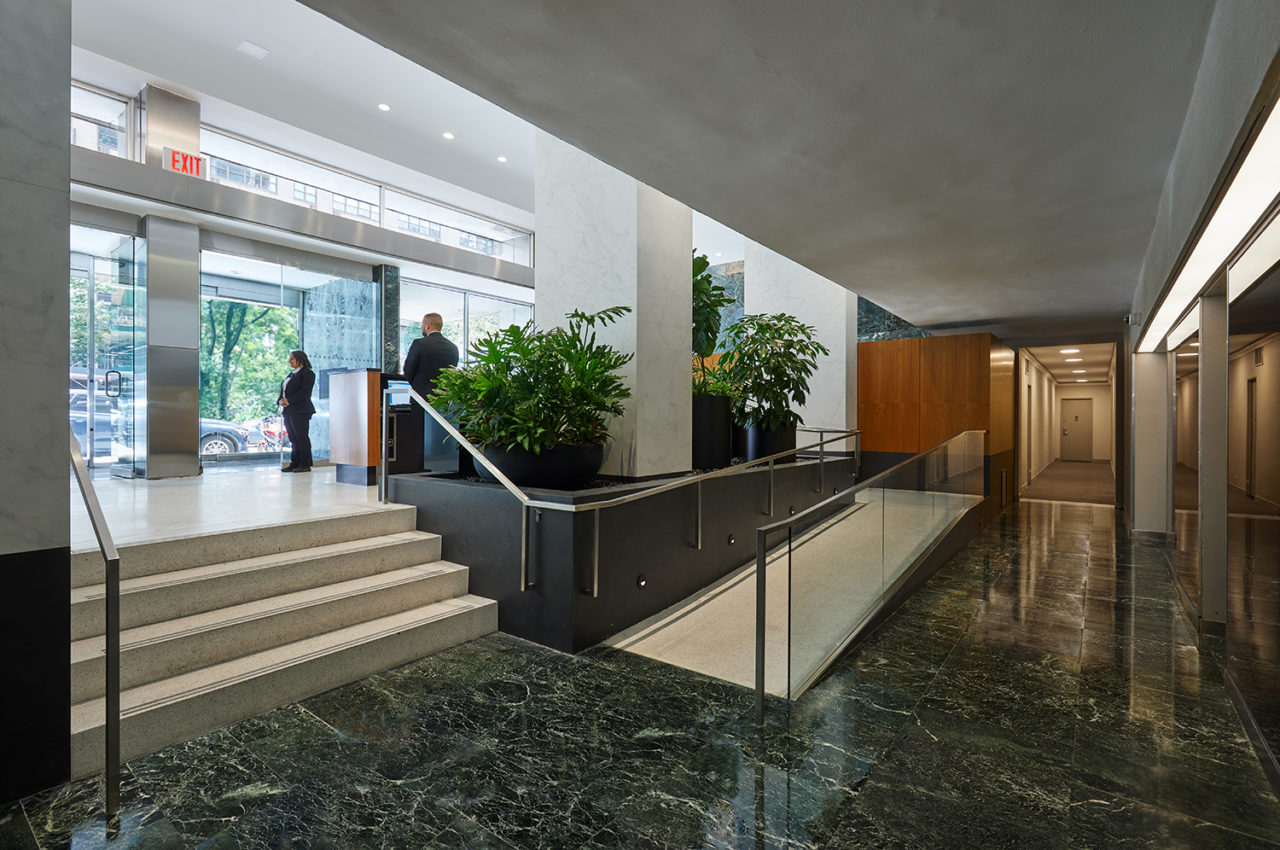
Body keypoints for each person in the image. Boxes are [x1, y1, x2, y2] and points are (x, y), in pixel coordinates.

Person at [401, 312, 460, 469]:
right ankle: (442, 468)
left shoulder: (419, 344)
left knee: (421, 436)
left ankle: (421, 471)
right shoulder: (453, 348)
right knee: (441, 436)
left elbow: (408, 371)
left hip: (422, 398)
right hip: (445, 400)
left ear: (427, 326)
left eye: (422, 325)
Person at [278, 349, 316, 473]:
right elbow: (284, 391)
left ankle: (305, 464)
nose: (289, 361)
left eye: (292, 358)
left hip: (301, 411)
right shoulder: (292, 374)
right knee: (293, 438)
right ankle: (295, 463)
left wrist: (290, 400)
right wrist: (281, 400)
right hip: (288, 410)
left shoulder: (307, 373)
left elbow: (305, 392)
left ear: (300, 359)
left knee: (301, 437)